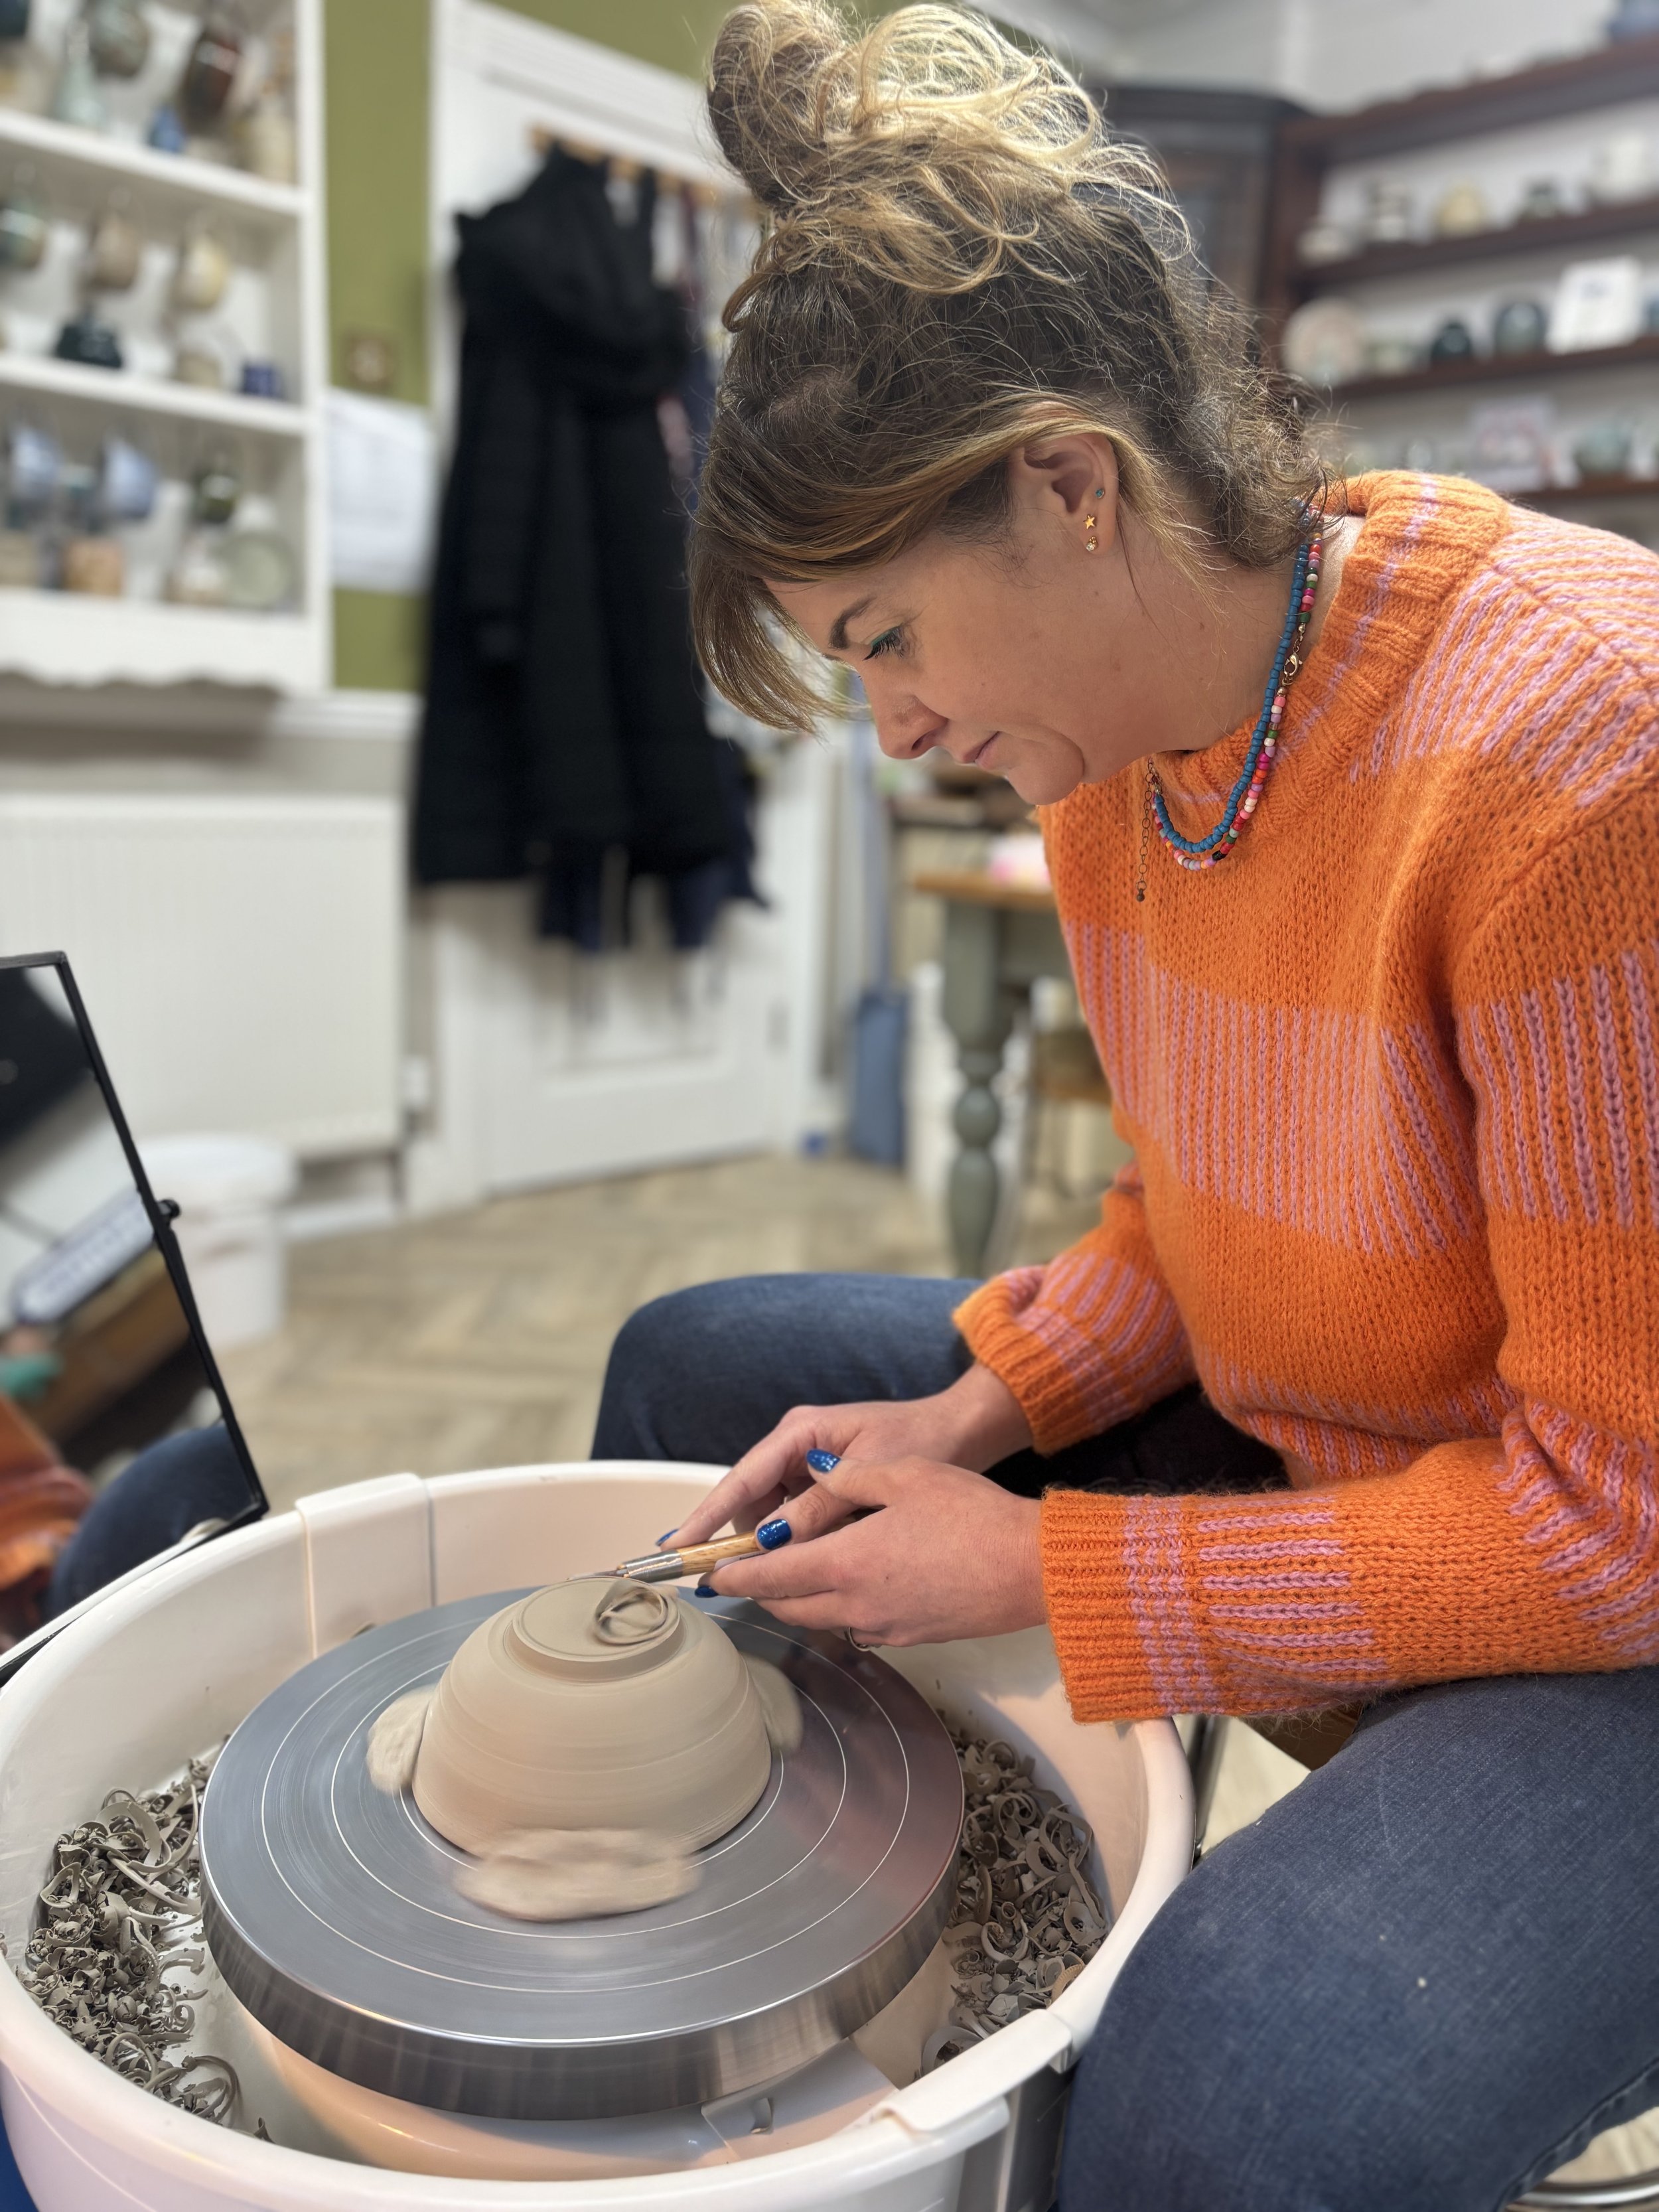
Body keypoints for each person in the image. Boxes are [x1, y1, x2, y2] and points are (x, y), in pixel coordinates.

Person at [592, 3, 1659, 2205]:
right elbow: (1196, 1215)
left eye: (887, 638)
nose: (887, 728)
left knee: (1243, 2089)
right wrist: (974, 1418)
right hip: (1345, 1435)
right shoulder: (1121, 756)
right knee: (708, 1377)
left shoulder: (1584, 761)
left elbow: (1609, 1528)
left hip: (1607, 1579)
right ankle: (782, 1969)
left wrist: (1065, 1565)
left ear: (1069, 484)